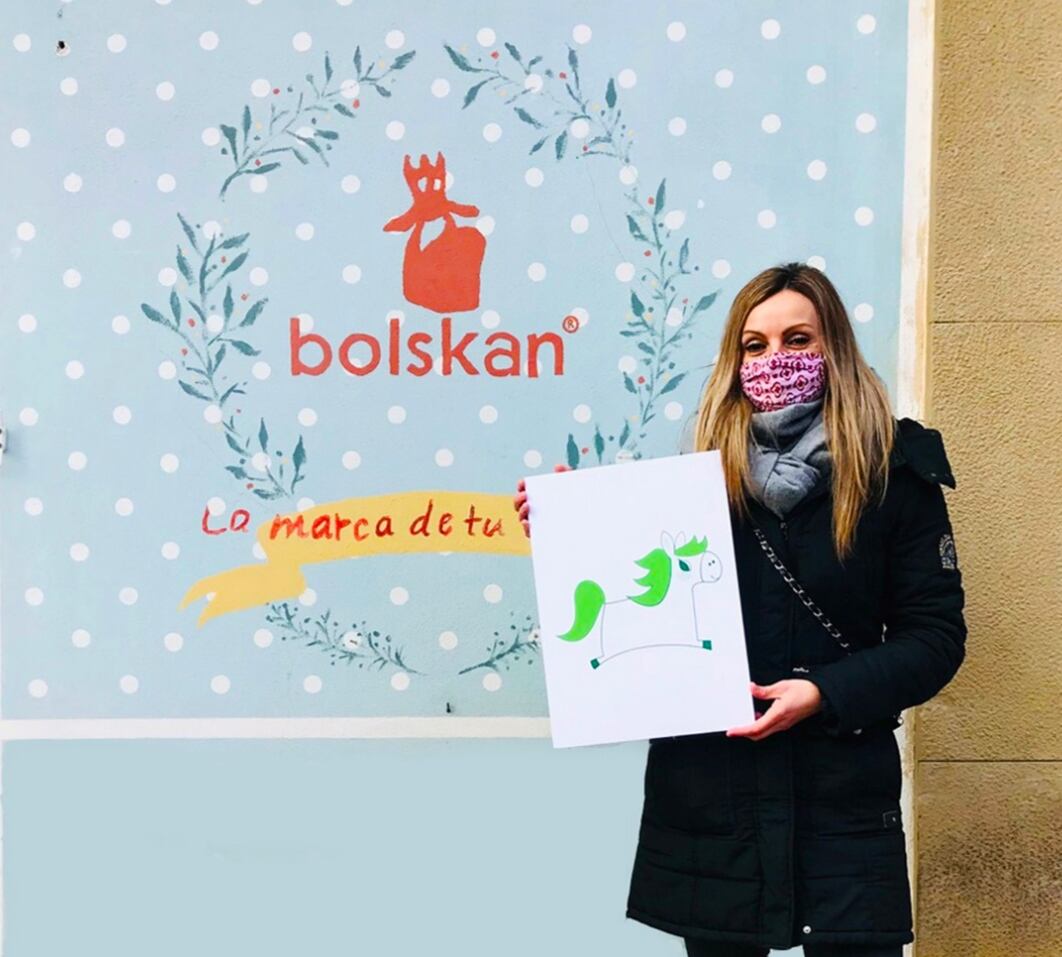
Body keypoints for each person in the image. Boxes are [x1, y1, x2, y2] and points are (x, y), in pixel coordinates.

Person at [512, 262, 967, 956]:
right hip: (713, 801)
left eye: (797, 338)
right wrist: (575, 524)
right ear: (735, 359)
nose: (775, 358)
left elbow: (934, 639)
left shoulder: (893, 473)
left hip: (842, 801)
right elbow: (644, 601)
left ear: (834, 348)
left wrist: (825, 692)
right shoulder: (695, 484)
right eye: (755, 345)